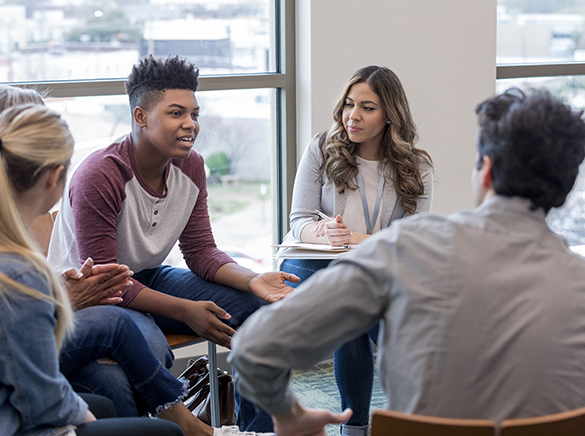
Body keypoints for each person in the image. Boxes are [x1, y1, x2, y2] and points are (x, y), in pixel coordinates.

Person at [229, 87, 585, 436]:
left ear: (486, 170)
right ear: (565, 187)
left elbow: (253, 351)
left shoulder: (406, 247)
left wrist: (289, 415)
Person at [47, 54, 297, 433]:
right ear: (140, 116)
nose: (190, 125)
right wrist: (185, 310)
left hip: (148, 276)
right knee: (149, 349)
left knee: (260, 311)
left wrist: (252, 280)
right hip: (92, 296)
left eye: (194, 114)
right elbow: (106, 283)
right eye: (177, 113)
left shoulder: (191, 166)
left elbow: (200, 251)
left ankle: (256, 430)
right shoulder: (100, 175)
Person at [0, 85, 226, 436]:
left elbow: (17, 309)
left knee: (119, 355)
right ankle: (182, 424)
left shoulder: (7, 219)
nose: (189, 124)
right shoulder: (1, 244)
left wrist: (63, 293)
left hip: (34, 336)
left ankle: (179, 423)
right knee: (118, 357)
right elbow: (21, 357)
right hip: (1, 393)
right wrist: (63, 300)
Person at [280, 65, 433, 436]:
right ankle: (371, 425)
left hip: (372, 268)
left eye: (367, 107)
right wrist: (323, 233)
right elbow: (298, 220)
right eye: (349, 104)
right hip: (314, 263)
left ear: (390, 115)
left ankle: (364, 427)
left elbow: (410, 240)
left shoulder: (417, 166)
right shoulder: (321, 148)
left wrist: (357, 242)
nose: (353, 115)